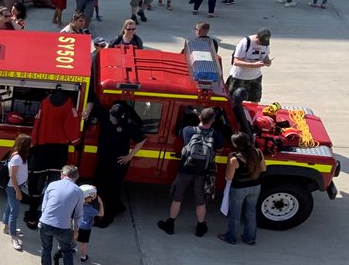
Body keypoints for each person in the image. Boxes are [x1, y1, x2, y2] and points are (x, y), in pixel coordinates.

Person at [158, 107, 223, 236]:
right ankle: (200, 227)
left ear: (199, 117)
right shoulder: (216, 134)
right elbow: (219, 148)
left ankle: (170, 224)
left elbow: (179, 133)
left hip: (185, 169)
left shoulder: (188, 130)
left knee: (177, 198)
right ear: (213, 120)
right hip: (203, 172)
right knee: (200, 200)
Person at [92, 101, 145, 228]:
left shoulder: (127, 124)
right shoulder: (105, 115)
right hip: (104, 159)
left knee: (112, 189)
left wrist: (130, 156)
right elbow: (94, 101)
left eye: (115, 119)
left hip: (118, 162)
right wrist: (88, 109)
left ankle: (107, 216)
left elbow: (142, 139)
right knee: (98, 186)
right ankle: (116, 207)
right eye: (111, 117)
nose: (112, 121)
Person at [38, 165, 84, 265]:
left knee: (46, 248)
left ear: (62, 175)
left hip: (45, 223)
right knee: (66, 251)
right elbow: (78, 215)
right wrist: (75, 230)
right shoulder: (78, 191)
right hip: (63, 228)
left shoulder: (52, 185)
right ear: (76, 177)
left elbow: (44, 206)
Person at [217, 132, 266, 245]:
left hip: (239, 188)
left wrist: (229, 160)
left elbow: (228, 177)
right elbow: (263, 169)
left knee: (235, 214)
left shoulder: (235, 159)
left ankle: (231, 237)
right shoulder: (258, 153)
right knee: (251, 213)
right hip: (255, 187)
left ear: (235, 144)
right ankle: (250, 238)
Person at [2, 133, 31, 249]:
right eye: (29, 144)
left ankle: (6, 228)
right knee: (15, 212)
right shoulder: (17, 158)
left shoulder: (20, 156)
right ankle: (13, 237)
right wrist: (18, 191)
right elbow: (13, 177)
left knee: (9, 208)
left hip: (16, 187)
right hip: (13, 188)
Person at [228, 29, 271, 103]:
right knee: (233, 101)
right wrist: (253, 65)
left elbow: (266, 56)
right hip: (239, 77)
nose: (262, 44)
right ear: (257, 37)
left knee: (255, 101)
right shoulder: (246, 42)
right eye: (261, 42)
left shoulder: (265, 44)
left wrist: (267, 61)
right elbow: (236, 61)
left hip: (255, 78)